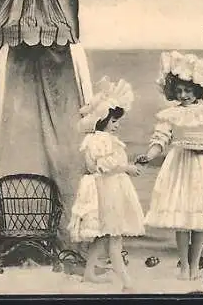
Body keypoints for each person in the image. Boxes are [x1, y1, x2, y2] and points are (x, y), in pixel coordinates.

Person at [136, 51, 203, 281]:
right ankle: (184, 266)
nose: (183, 95)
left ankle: (195, 262)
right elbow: (160, 140)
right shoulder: (170, 114)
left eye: (188, 90)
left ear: (197, 91)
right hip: (179, 166)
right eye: (179, 91)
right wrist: (148, 156)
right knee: (181, 219)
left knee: (199, 218)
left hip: (202, 166)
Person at [67, 76, 145, 291]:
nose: (117, 125)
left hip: (109, 187)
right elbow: (104, 165)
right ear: (102, 121)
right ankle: (126, 281)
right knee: (114, 235)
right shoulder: (101, 139)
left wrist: (127, 165)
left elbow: (108, 164)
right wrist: (127, 168)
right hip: (107, 189)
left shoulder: (98, 139)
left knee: (104, 236)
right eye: (114, 121)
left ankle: (89, 273)